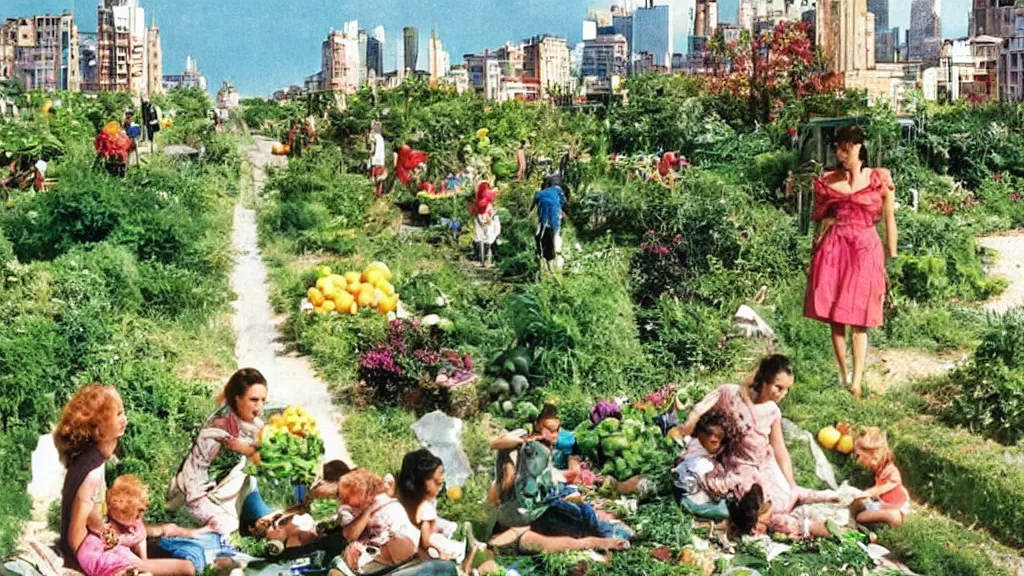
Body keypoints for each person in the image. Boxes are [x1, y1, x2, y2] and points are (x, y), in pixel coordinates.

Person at [55, 385, 194, 576]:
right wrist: (84, 557)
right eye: (118, 414)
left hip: (99, 550)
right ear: (99, 429)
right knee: (187, 568)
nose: (124, 419)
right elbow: (76, 530)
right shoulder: (92, 471)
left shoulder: (90, 460)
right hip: (95, 556)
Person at [672, 355, 834, 515]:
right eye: (779, 387)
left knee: (775, 505)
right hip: (725, 456)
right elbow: (700, 412)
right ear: (764, 380)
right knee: (700, 478)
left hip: (754, 463)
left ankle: (800, 493)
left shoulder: (772, 412)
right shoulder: (731, 394)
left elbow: (779, 449)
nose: (782, 394)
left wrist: (791, 484)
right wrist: (687, 427)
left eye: (787, 390)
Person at [804, 125, 898, 398]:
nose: (841, 152)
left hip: (865, 249)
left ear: (859, 147)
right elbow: (820, 221)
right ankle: (843, 374)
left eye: (847, 147)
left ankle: (857, 381)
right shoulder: (828, 181)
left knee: (860, 316)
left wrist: (891, 257)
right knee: (836, 315)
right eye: (838, 147)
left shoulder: (878, 179)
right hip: (834, 248)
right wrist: (813, 255)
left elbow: (890, 220)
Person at [166, 368, 267, 535]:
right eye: (254, 400)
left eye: (263, 400)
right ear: (238, 398)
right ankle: (184, 530)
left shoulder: (247, 420)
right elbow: (248, 449)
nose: (260, 406)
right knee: (228, 525)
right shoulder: (222, 426)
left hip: (220, 486)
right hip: (197, 490)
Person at [396, 450, 496, 575]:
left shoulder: (406, 498)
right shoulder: (425, 507)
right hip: (420, 550)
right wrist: (440, 552)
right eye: (437, 483)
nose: (440, 487)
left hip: (407, 547)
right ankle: (468, 565)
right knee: (457, 553)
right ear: (422, 483)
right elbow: (425, 542)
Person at [336, 469, 420, 574]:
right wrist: (368, 511)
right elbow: (350, 534)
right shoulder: (349, 510)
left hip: (404, 550)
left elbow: (400, 529)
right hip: (379, 555)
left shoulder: (385, 502)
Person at [671, 409, 740, 520]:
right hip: (694, 501)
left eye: (719, 438)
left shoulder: (695, 447)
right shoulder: (702, 463)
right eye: (709, 433)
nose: (713, 439)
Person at [850, 427, 909, 528]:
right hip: (883, 504)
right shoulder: (880, 470)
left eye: (860, 456)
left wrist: (868, 493)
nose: (859, 461)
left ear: (874, 454)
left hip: (895, 507)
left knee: (861, 517)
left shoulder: (891, 471)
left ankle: (894, 517)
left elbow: (891, 484)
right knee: (860, 512)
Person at [531, 177, 567, 274]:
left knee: (543, 235)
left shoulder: (541, 193)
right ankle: (552, 259)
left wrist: (530, 213)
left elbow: (533, 205)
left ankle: (545, 258)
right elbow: (564, 201)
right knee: (554, 233)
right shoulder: (558, 190)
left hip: (546, 215)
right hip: (554, 215)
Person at [470, 182, 501, 268]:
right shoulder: (488, 196)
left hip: (479, 218)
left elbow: (474, 210)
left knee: (480, 239)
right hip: (487, 217)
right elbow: (493, 196)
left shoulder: (478, 198)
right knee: (490, 237)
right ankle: (488, 259)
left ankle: (481, 259)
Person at [369, 122, 387, 197]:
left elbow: (372, 150)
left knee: (374, 178)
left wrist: (370, 137)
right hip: (381, 161)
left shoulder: (375, 137)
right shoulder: (381, 138)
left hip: (376, 161)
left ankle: (375, 194)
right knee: (379, 180)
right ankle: (378, 194)